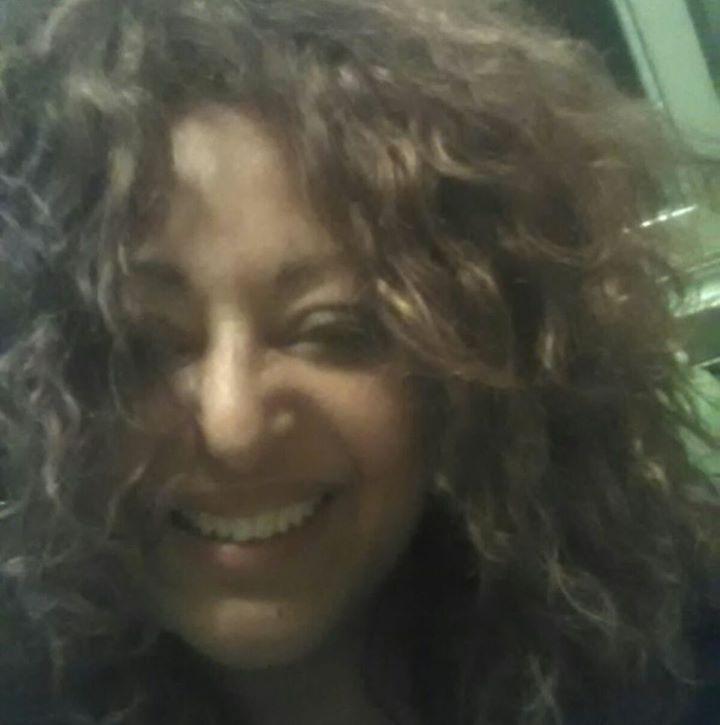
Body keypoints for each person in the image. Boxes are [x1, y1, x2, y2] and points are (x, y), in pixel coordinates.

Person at [0, 0, 718, 723]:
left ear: (477, 355)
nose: (233, 427)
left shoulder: (676, 655)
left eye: (334, 331)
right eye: (140, 343)